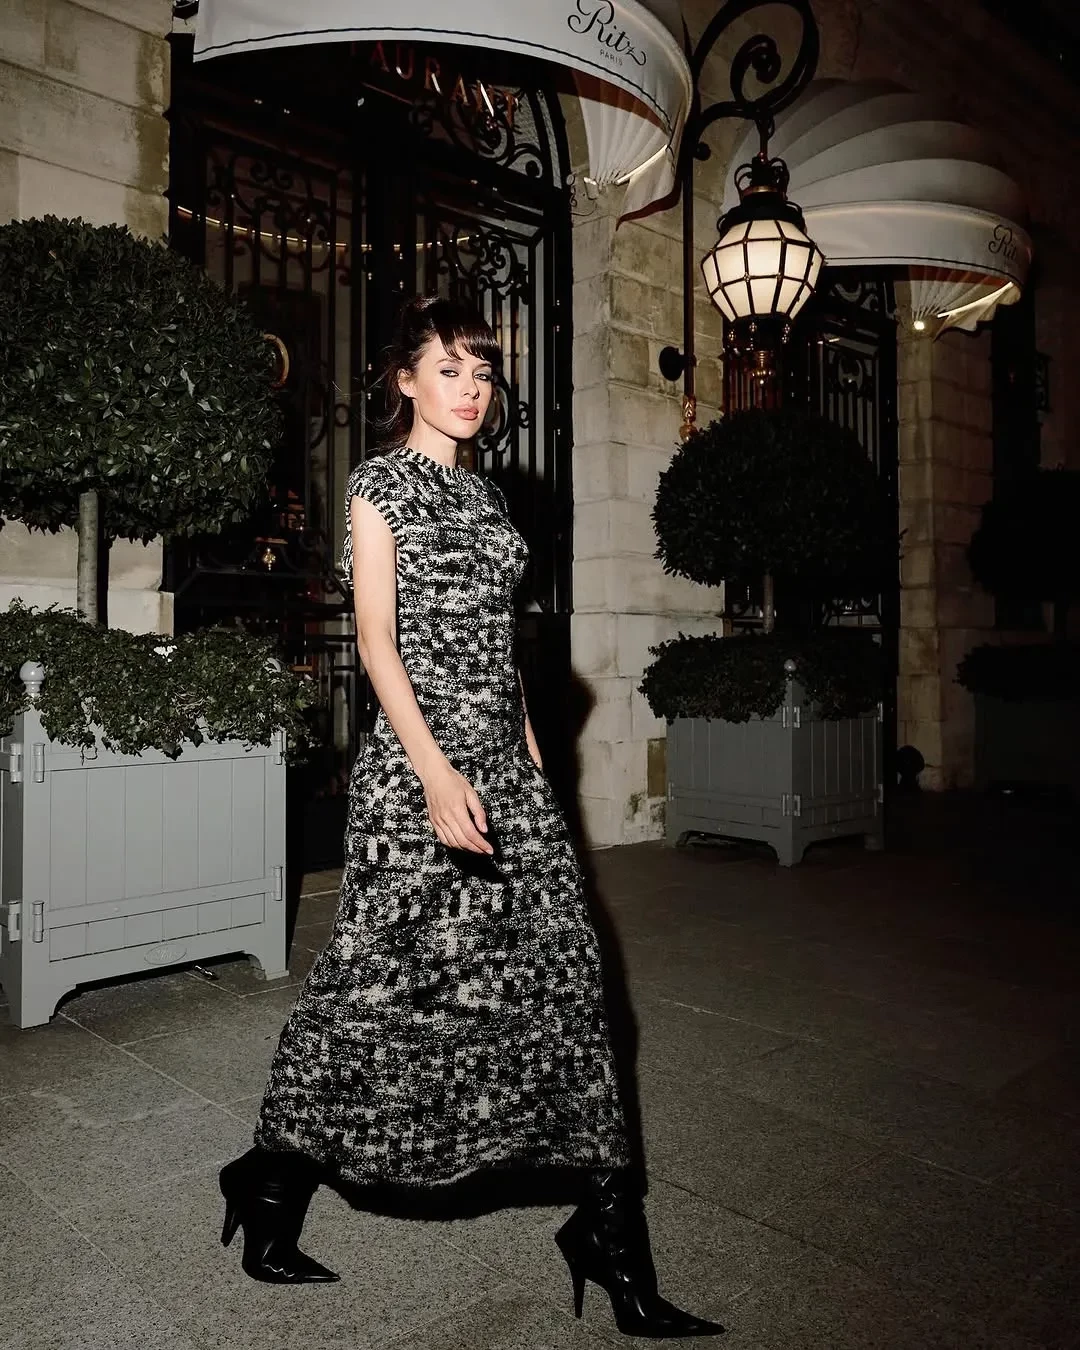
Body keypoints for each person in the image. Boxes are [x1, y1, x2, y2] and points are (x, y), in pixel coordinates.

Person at [218, 295, 722, 1340]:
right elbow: (376, 644)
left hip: (504, 763)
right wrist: (438, 773)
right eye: (450, 369)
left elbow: (500, 643)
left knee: (569, 981)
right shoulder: (378, 486)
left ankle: (610, 1237)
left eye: (484, 372)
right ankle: (269, 1181)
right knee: (376, 991)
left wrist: (531, 759)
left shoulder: (490, 497)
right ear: (405, 380)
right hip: (417, 772)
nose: (472, 389)